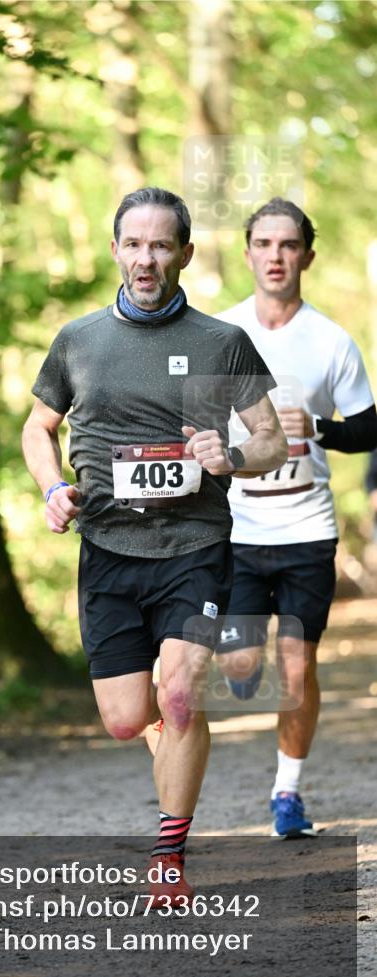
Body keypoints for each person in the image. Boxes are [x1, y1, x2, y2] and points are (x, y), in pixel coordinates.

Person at [21, 186, 287, 905]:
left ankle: (167, 860)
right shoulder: (79, 341)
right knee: (124, 720)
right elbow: (37, 428)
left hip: (194, 547)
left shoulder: (219, 343)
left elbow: (271, 439)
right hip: (108, 548)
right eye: (134, 245)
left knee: (179, 696)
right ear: (115, 250)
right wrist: (52, 487)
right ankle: (173, 745)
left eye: (161, 245)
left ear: (184, 254)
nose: (146, 259)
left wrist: (231, 455)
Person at [214, 198, 377, 838]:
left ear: (306, 255)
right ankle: (241, 662)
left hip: (308, 531)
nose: (275, 256)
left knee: (297, 666)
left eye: (288, 245)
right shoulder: (220, 335)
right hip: (237, 530)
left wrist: (319, 428)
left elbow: (369, 428)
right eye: (264, 244)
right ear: (248, 253)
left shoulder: (331, 341)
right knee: (237, 665)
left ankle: (287, 792)